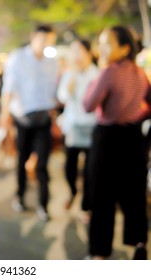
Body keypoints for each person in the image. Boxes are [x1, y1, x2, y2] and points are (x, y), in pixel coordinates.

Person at [84, 26, 150, 260]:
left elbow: (88, 104)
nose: (101, 48)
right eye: (100, 42)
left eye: (107, 43)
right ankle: (139, 244)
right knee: (134, 195)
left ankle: (99, 253)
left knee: (103, 197)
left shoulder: (108, 72)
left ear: (124, 48)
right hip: (134, 139)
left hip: (108, 139)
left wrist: (98, 75)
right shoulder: (140, 73)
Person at [0, 25, 58, 221]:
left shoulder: (52, 61)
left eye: (49, 40)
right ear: (34, 37)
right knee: (22, 159)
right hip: (23, 117)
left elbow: (52, 91)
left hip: (43, 118)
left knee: (42, 164)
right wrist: (4, 114)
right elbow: (8, 88)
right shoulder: (18, 57)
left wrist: (55, 117)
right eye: (42, 39)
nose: (45, 44)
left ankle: (43, 204)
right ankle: (20, 196)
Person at [57, 39, 98, 219]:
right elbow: (63, 96)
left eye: (80, 51)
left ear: (89, 53)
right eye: (74, 52)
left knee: (90, 169)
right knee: (69, 167)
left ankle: (86, 205)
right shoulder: (69, 74)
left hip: (91, 125)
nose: (76, 56)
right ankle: (72, 191)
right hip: (73, 126)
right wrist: (72, 77)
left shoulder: (96, 74)